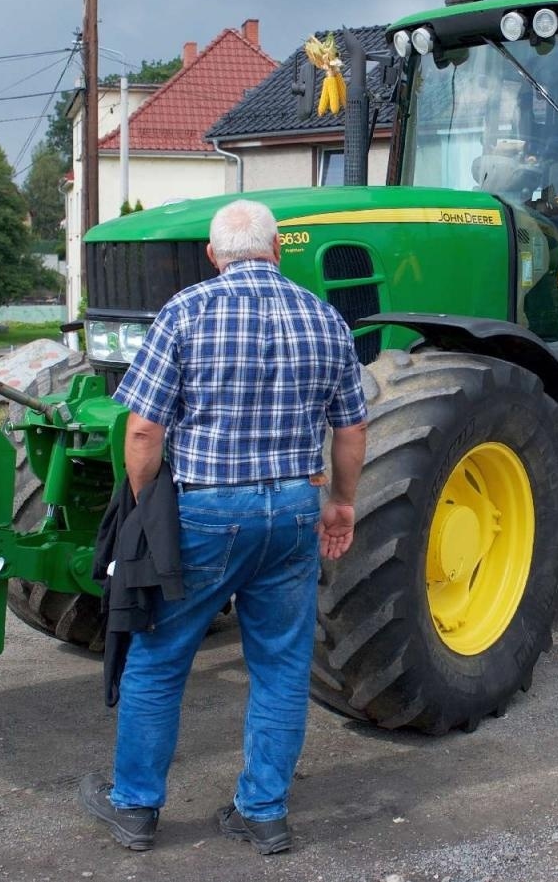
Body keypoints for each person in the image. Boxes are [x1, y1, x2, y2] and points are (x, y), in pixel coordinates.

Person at [79, 198, 368, 858]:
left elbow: (145, 428)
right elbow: (351, 428)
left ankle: (136, 808)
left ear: (213, 255)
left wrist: (147, 501)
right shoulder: (326, 317)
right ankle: (263, 812)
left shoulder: (186, 311)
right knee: (282, 663)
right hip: (295, 511)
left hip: (208, 510)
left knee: (158, 657)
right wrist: (342, 503)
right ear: (278, 251)